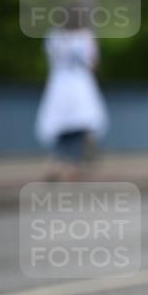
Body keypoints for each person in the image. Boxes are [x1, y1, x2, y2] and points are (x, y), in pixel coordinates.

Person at [35, 21, 108, 181]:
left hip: (61, 85)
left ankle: (58, 163)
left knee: (66, 127)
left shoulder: (54, 36)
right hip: (78, 86)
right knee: (77, 127)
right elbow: (92, 63)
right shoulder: (84, 36)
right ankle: (70, 165)